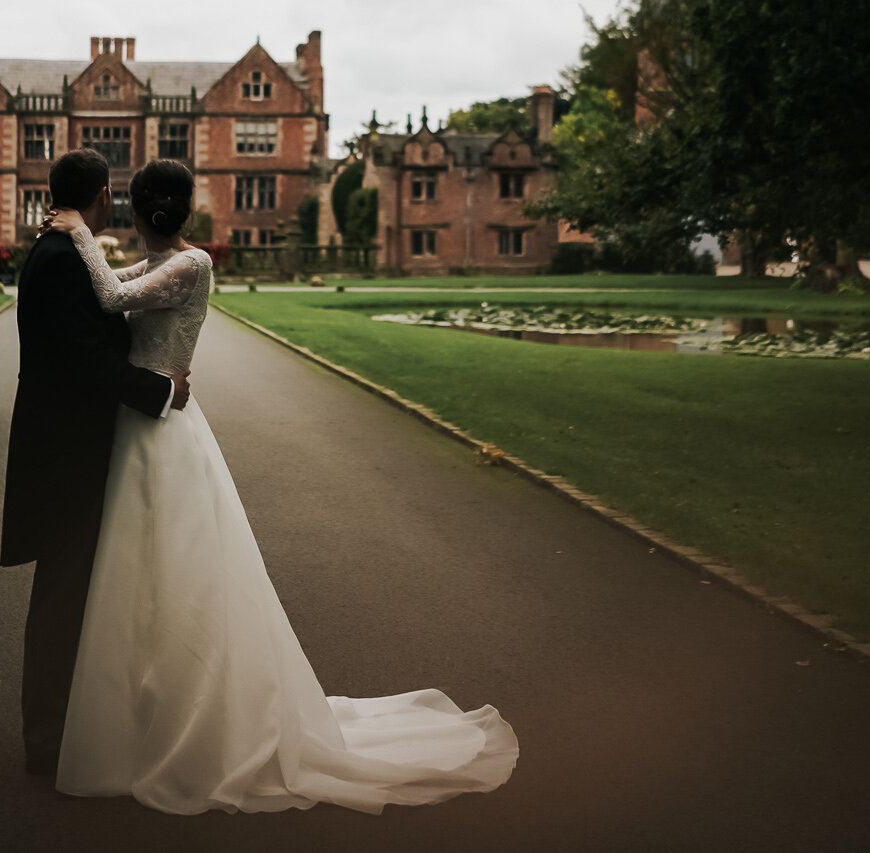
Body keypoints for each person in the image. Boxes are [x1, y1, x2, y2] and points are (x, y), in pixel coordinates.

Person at [40, 157, 518, 814]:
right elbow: (112, 287)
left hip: (166, 432)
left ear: (138, 209)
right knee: (134, 578)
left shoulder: (192, 264)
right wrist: (83, 240)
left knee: (182, 575)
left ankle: (193, 718)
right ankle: (138, 717)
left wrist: (79, 232)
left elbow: (113, 297)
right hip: (141, 423)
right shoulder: (156, 264)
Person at [0, 148, 184, 776]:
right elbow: (88, 360)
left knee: (82, 594)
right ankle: (47, 742)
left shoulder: (64, 251)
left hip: (74, 448)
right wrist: (160, 392)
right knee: (60, 597)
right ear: (103, 195)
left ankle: (73, 725)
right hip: (64, 456)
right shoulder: (58, 259)